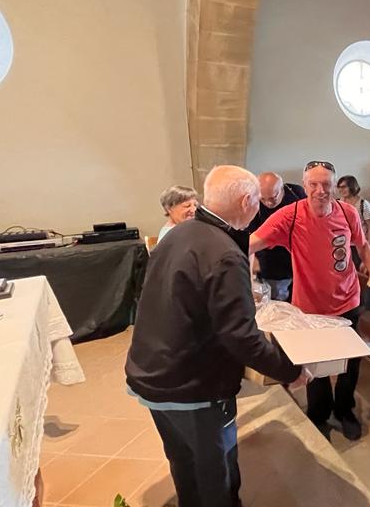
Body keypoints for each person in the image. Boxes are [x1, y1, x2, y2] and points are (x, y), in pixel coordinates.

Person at [126, 166, 307, 507]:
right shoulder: (223, 252)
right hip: (192, 385)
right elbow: (241, 337)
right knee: (216, 470)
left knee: (183, 459)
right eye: (257, 201)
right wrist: (292, 371)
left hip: (150, 372)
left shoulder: (178, 233)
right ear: (245, 201)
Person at [250, 160, 370, 440]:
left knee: (349, 362)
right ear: (304, 184)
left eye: (326, 184)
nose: (320, 190)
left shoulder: (347, 212)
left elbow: (363, 244)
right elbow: (251, 243)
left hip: (348, 301)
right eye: (313, 184)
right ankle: (319, 413)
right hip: (309, 306)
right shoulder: (291, 215)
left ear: (335, 185)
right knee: (315, 363)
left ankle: (345, 409)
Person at [248, 172, 305, 301]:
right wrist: (254, 260)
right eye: (263, 199)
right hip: (271, 260)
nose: (268, 203)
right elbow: (250, 236)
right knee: (278, 298)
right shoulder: (254, 203)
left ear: (281, 189)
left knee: (300, 299)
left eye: (273, 197)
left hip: (297, 256)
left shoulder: (296, 193)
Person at [337, 175, 370, 253]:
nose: (341, 190)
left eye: (344, 187)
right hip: (342, 243)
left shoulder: (363, 204)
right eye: (339, 187)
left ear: (352, 187)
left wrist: (368, 248)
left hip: (358, 244)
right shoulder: (338, 203)